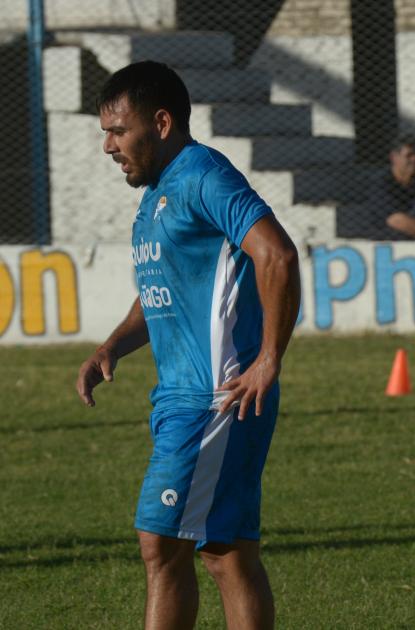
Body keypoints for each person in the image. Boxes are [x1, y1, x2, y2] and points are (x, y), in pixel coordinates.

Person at [75, 61, 300, 628]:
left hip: (213, 398)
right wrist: (114, 346)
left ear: (163, 122)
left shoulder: (203, 175)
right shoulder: (156, 194)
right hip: (182, 397)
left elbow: (277, 254)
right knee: (224, 552)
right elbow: (165, 289)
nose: (108, 145)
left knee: (161, 542)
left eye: (118, 130)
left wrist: (268, 360)